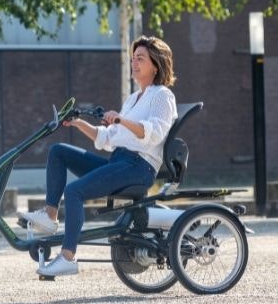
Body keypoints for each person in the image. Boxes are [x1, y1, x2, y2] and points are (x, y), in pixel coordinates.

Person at [18, 35, 178, 276]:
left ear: (156, 64)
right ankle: (50, 216)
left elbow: (154, 133)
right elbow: (107, 137)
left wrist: (122, 119)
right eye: (133, 58)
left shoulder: (162, 96)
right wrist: (78, 123)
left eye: (141, 59)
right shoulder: (134, 98)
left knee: (74, 191)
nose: (134, 63)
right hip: (120, 161)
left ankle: (67, 257)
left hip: (139, 167)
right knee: (58, 151)